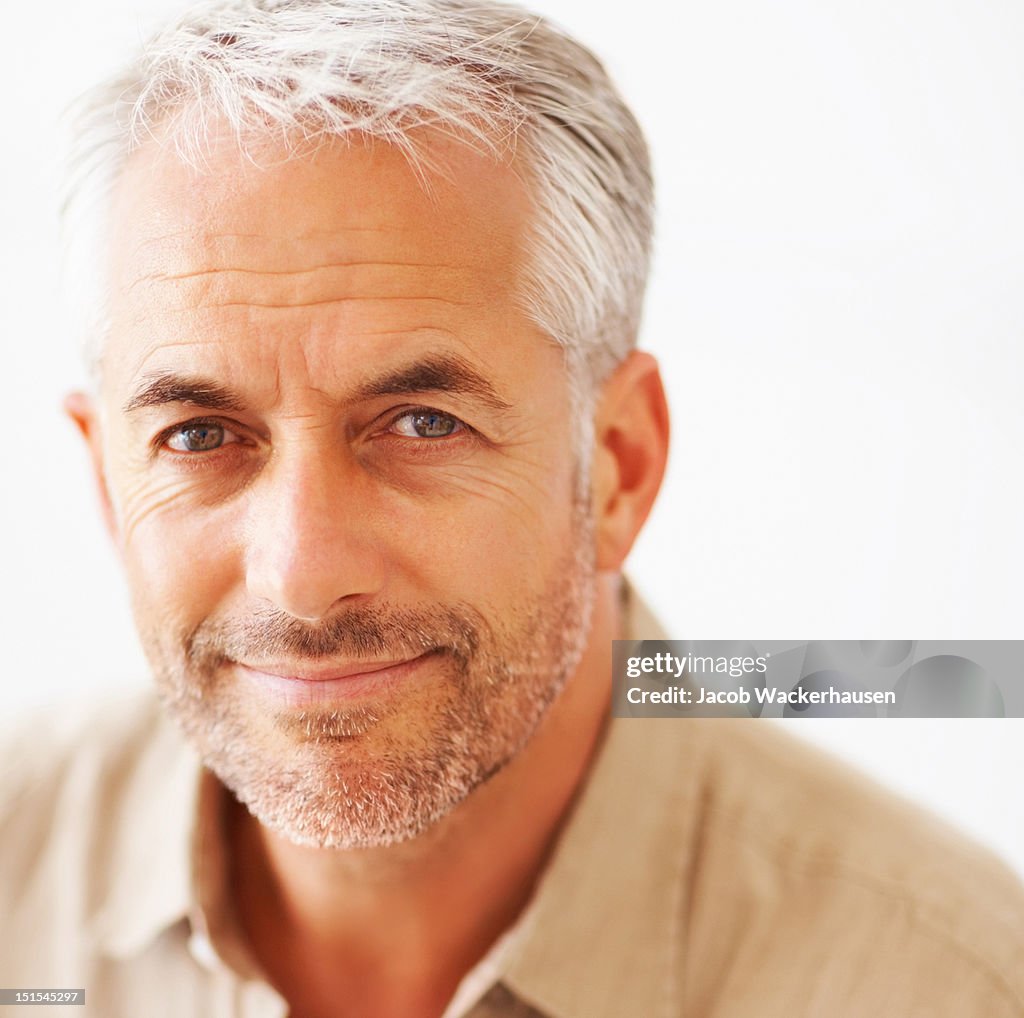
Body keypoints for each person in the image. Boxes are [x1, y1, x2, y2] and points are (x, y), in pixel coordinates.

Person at [3, 0, 1022, 1015]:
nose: (302, 574)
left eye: (421, 423)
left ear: (618, 464)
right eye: (198, 436)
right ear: (107, 481)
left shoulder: (950, 983)